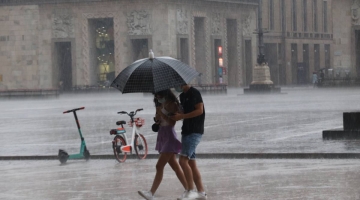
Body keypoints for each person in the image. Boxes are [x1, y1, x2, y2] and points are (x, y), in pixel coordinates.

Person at [138, 89, 188, 200]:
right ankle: (188, 189)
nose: (158, 97)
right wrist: (157, 117)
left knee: (159, 166)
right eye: (156, 96)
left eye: (159, 95)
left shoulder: (173, 104)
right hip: (162, 135)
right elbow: (158, 119)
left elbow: (172, 121)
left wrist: (162, 113)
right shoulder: (160, 105)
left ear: (165, 94)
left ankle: (151, 193)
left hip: (169, 135)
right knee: (175, 167)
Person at [171, 84, 207, 200]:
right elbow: (183, 113)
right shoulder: (182, 96)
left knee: (183, 160)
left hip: (195, 131)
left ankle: (190, 190)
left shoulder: (194, 93)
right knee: (191, 163)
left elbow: (200, 110)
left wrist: (183, 115)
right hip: (186, 131)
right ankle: (201, 192)